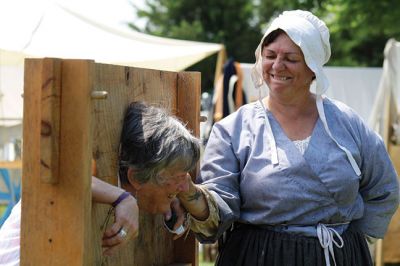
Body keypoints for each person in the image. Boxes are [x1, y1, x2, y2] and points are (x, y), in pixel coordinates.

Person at [175, 10, 400, 266]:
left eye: (291, 59)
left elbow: (384, 189)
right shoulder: (234, 129)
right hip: (258, 257)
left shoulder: (347, 124)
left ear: (313, 68)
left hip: (338, 256)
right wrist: (191, 194)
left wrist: (351, 239)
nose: (277, 66)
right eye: (270, 56)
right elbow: (218, 207)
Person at [0, 101, 200, 265]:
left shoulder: (141, 189)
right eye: (177, 177)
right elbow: (61, 178)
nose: (184, 186)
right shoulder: (83, 181)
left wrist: (170, 196)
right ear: (137, 177)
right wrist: (124, 199)